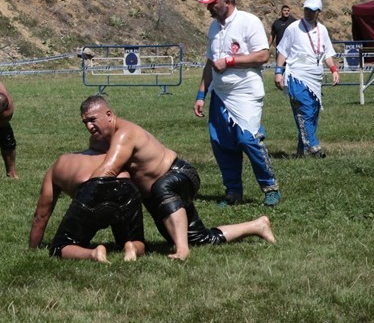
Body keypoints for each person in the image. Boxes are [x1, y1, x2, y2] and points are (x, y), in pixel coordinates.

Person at [77, 95, 276, 260]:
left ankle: (182, 251)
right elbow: (90, 166)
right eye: (85, 122)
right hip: (155, 195)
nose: (89, 126)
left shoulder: (124, 134)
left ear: (109, 115)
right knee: (199, 238)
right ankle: (257, 226)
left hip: (178, 175)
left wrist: (80, 197)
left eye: (93, 119)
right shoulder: (98, 141)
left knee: (162, 187)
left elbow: (106, 173)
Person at [193, 0, 281, 208]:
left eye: (213, 3)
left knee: (248, 139)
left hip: (245, 91)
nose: (208, 8)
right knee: (221, 143)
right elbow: (210, 63)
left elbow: (263, 55)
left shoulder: (249, 21)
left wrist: (231, 61)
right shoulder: (214, 28)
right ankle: (233, 191)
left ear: (228, 2)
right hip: (220, 93)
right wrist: (201, 94)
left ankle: (270, 187)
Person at [29, 147, 145, 262]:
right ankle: (133, 247)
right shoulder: (113, 157)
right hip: (125, 187)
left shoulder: (61, 163)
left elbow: (41, 216)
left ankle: (93, 253)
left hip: (92, 189)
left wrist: (32, 248)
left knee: (60, 248)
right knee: (136, 240)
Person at [275, 0, 340, 157]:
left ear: (319, 12)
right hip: (296, 74)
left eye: (312, 10)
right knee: (304, 110)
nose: (308, 13)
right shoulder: (293, 28)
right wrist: (278, 72)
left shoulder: (322, 30)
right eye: (306, 9)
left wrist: (334, 70)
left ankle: (302, 151)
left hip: (314, 77)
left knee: (313, 113)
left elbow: (326, 53)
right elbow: (282, 51)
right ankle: (314, 146)